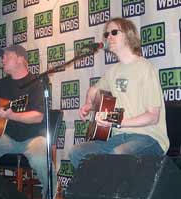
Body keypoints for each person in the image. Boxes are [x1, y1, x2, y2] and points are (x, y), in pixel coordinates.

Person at [69, 17, 169, 169]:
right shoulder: (113, 71)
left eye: (114, 32)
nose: (109, 37)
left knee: (118, 154)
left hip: (149, 138)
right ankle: (99, 191)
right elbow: (93, 90)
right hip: (118, 138)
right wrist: (89, 104)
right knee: (77, 152)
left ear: (128, 35)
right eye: (106, 34)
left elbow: (153, 116)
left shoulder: (146, 68)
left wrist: (118, 122)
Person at [0, 44, 56, 199]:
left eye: (7, 56)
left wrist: (11, 115)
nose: (2, 59)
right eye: (2, 56)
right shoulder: (1, 84)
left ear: (20, 59)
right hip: (6, 137)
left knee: (41, 159)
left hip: (33, 138)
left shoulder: (37, 83)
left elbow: (38, 116)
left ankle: (52, 194)